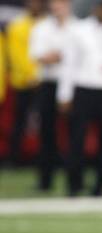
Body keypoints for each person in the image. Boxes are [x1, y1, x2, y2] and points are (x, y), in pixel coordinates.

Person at [58, 0, 102, 197]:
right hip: (84, 88)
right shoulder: (78, 30)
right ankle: (74, 185)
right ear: (95, 8)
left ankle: (100, 186)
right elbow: (69, 64)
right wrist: (64, 94)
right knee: (77, 139)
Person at [29, 0, 76, 192]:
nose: (57, 7)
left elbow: (77, 57)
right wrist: (62, 55)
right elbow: (38, 56)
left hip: (73, 83)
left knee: (75, 134)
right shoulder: (41, 28)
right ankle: (45, 180)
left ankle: (74, 181)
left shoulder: (79, 27)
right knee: (47, 133)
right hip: (48, 84)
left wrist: (58, 55)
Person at [6, 0, 45, 166]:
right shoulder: (17, 25)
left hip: (43, 81)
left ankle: (41, 159)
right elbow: (16, 55)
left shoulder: (46, 24)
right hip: (22, 82)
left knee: (44, 122)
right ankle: (14, 158)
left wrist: (38, 75)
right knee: (19, 122)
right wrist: (30, 75)